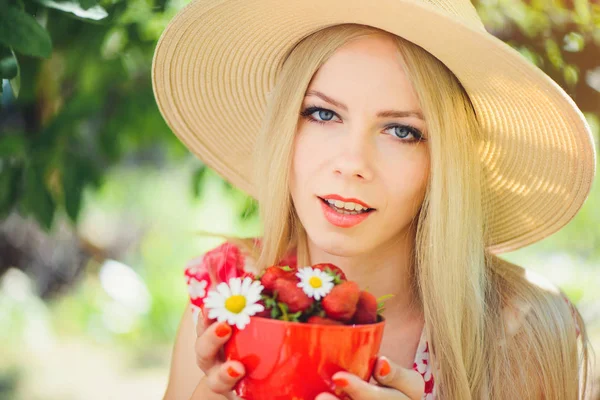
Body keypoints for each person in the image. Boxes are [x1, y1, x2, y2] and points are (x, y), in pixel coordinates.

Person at [151, 0, 596, 399]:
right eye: (323, 113)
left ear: (445, 160)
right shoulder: (227, 295)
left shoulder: (524, 330)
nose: (352, 163)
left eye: (402, 131)